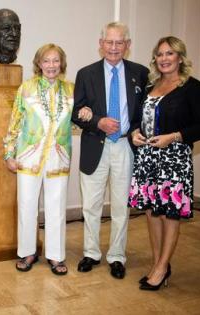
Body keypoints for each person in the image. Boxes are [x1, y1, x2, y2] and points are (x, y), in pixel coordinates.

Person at [129, 36, 200, 290]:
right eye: (160, 54)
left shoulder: (192, 87)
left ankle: (162, 266)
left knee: (170, 214)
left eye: (169, 53)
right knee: (152, 212)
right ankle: (158, 264)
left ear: (179, 57)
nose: (164, 58)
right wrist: (134, 132)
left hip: (174, 159)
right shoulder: (149, 86)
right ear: (155, 58)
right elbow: (138, 118)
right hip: (147, 158)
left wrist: (174, 137)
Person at [72, 22, 149, 279]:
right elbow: (76, 113)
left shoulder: (141, 73)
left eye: (119, 43)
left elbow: (143, 114)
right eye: (109, 42)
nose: (114, 48)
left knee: (120, 206)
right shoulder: (86, 74)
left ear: (127, 45)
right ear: (100, 43)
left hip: (126, 146)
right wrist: (98, 122)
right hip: (96, 146)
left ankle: (117, 256)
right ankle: (91, 253)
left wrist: (138, 130)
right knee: (91, 205)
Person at [3, 43, 74, 276]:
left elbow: (76, 122)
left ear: (61, 64)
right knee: (26, 207)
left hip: (58, 159)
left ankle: (56, 255)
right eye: (46, 61)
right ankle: (27, 252)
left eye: (55, 61)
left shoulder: (72, 90)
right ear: (39, 64)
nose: (51, 65)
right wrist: (8, 153)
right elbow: (14, 123)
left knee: (57, 209)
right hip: (28, 158)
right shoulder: (26, 88)